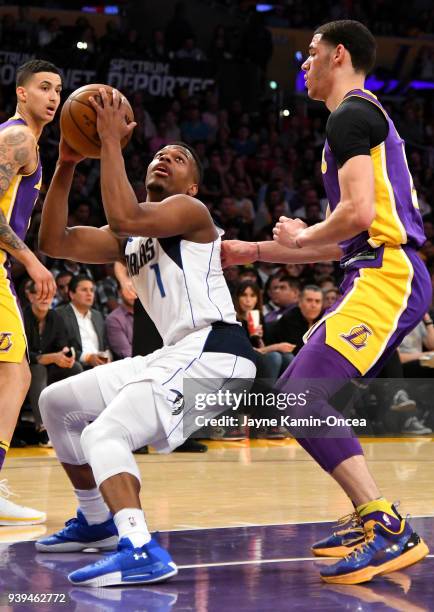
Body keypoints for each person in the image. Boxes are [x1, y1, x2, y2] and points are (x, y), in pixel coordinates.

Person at [221, 20, 430, 584]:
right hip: (370, 270)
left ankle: (386, 525)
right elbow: (345, 239)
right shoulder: (353, 120)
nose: (303, 64)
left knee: (298, 396)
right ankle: (373, 518)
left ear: (339, 55)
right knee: (298, 395)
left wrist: (300, 235)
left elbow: (357, 218)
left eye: (310, 54)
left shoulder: (350, 115)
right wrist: (257, 250)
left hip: (388, 274)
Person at [35, 89, 256, 588]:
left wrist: (109, 140)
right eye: (160, 153)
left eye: (178, 159)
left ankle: (139, 546)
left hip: (216, 350)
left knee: (102, 434)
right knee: (58, 402)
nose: (165, 157)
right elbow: (54, 241)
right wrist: (68, 161)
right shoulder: (132, 236)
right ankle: (97, 520)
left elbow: (125, 215)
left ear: (192, 186)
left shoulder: (190, 215)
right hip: (176, 353)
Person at [0, 59, 60, 525]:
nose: (53, 96)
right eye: (43, 87)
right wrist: (32, 260)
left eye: (58, 89)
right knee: (15, 373)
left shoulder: (33, 145)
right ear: (22, 93)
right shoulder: (16, 137)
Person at [23, 280, 83, 445]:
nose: (44, 299)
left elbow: (62, 345)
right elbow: (25, 354)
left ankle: (77, 423)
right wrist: (51, 358)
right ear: (30, 296)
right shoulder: (22, 317)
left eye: (48, 295)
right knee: (37, 369)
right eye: (40, 294)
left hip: (50, 370)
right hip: (25, 371)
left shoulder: (55, 317)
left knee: (75, 368)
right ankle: (43, 428)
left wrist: (65, 356)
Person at [57, 275, 110, 369]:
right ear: (72, 294)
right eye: (84, 290)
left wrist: (108, 356)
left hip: (100, 366)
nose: (89, 294)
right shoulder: (60, 315)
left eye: (92, 290)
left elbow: (105, 345)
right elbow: (62, 346)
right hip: (76, 366)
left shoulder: (97, 316)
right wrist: (87, 358)